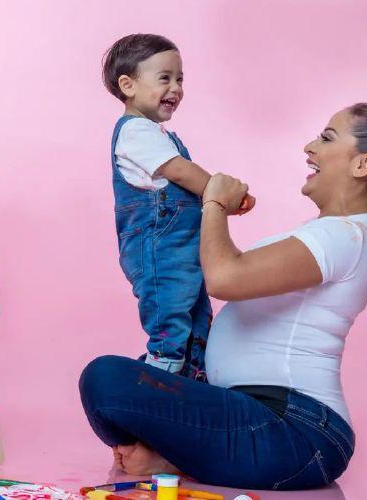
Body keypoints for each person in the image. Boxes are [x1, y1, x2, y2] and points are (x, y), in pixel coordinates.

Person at [80, 103, 367, 489]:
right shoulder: (334, 233)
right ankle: (169, 458)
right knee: (130, 377)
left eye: (327, 138)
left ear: (363, 164)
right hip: (264, 418)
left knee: (106, 379)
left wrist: (213, 201)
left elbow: (224, 278)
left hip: (294, 430)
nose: (310, 147)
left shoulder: (345, 237)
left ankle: (171, 458)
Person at [102, 33, 253, 379]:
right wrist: (224, 194)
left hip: (184, 251)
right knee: (170, 318)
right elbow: (182, 172)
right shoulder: (135, 132)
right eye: (165, 78)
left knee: (198, 319)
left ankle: (191, 377)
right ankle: (159, 375)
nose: (176, 88)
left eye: (180, 79)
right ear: (128, 85)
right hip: (159, 251)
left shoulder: (158, 134)